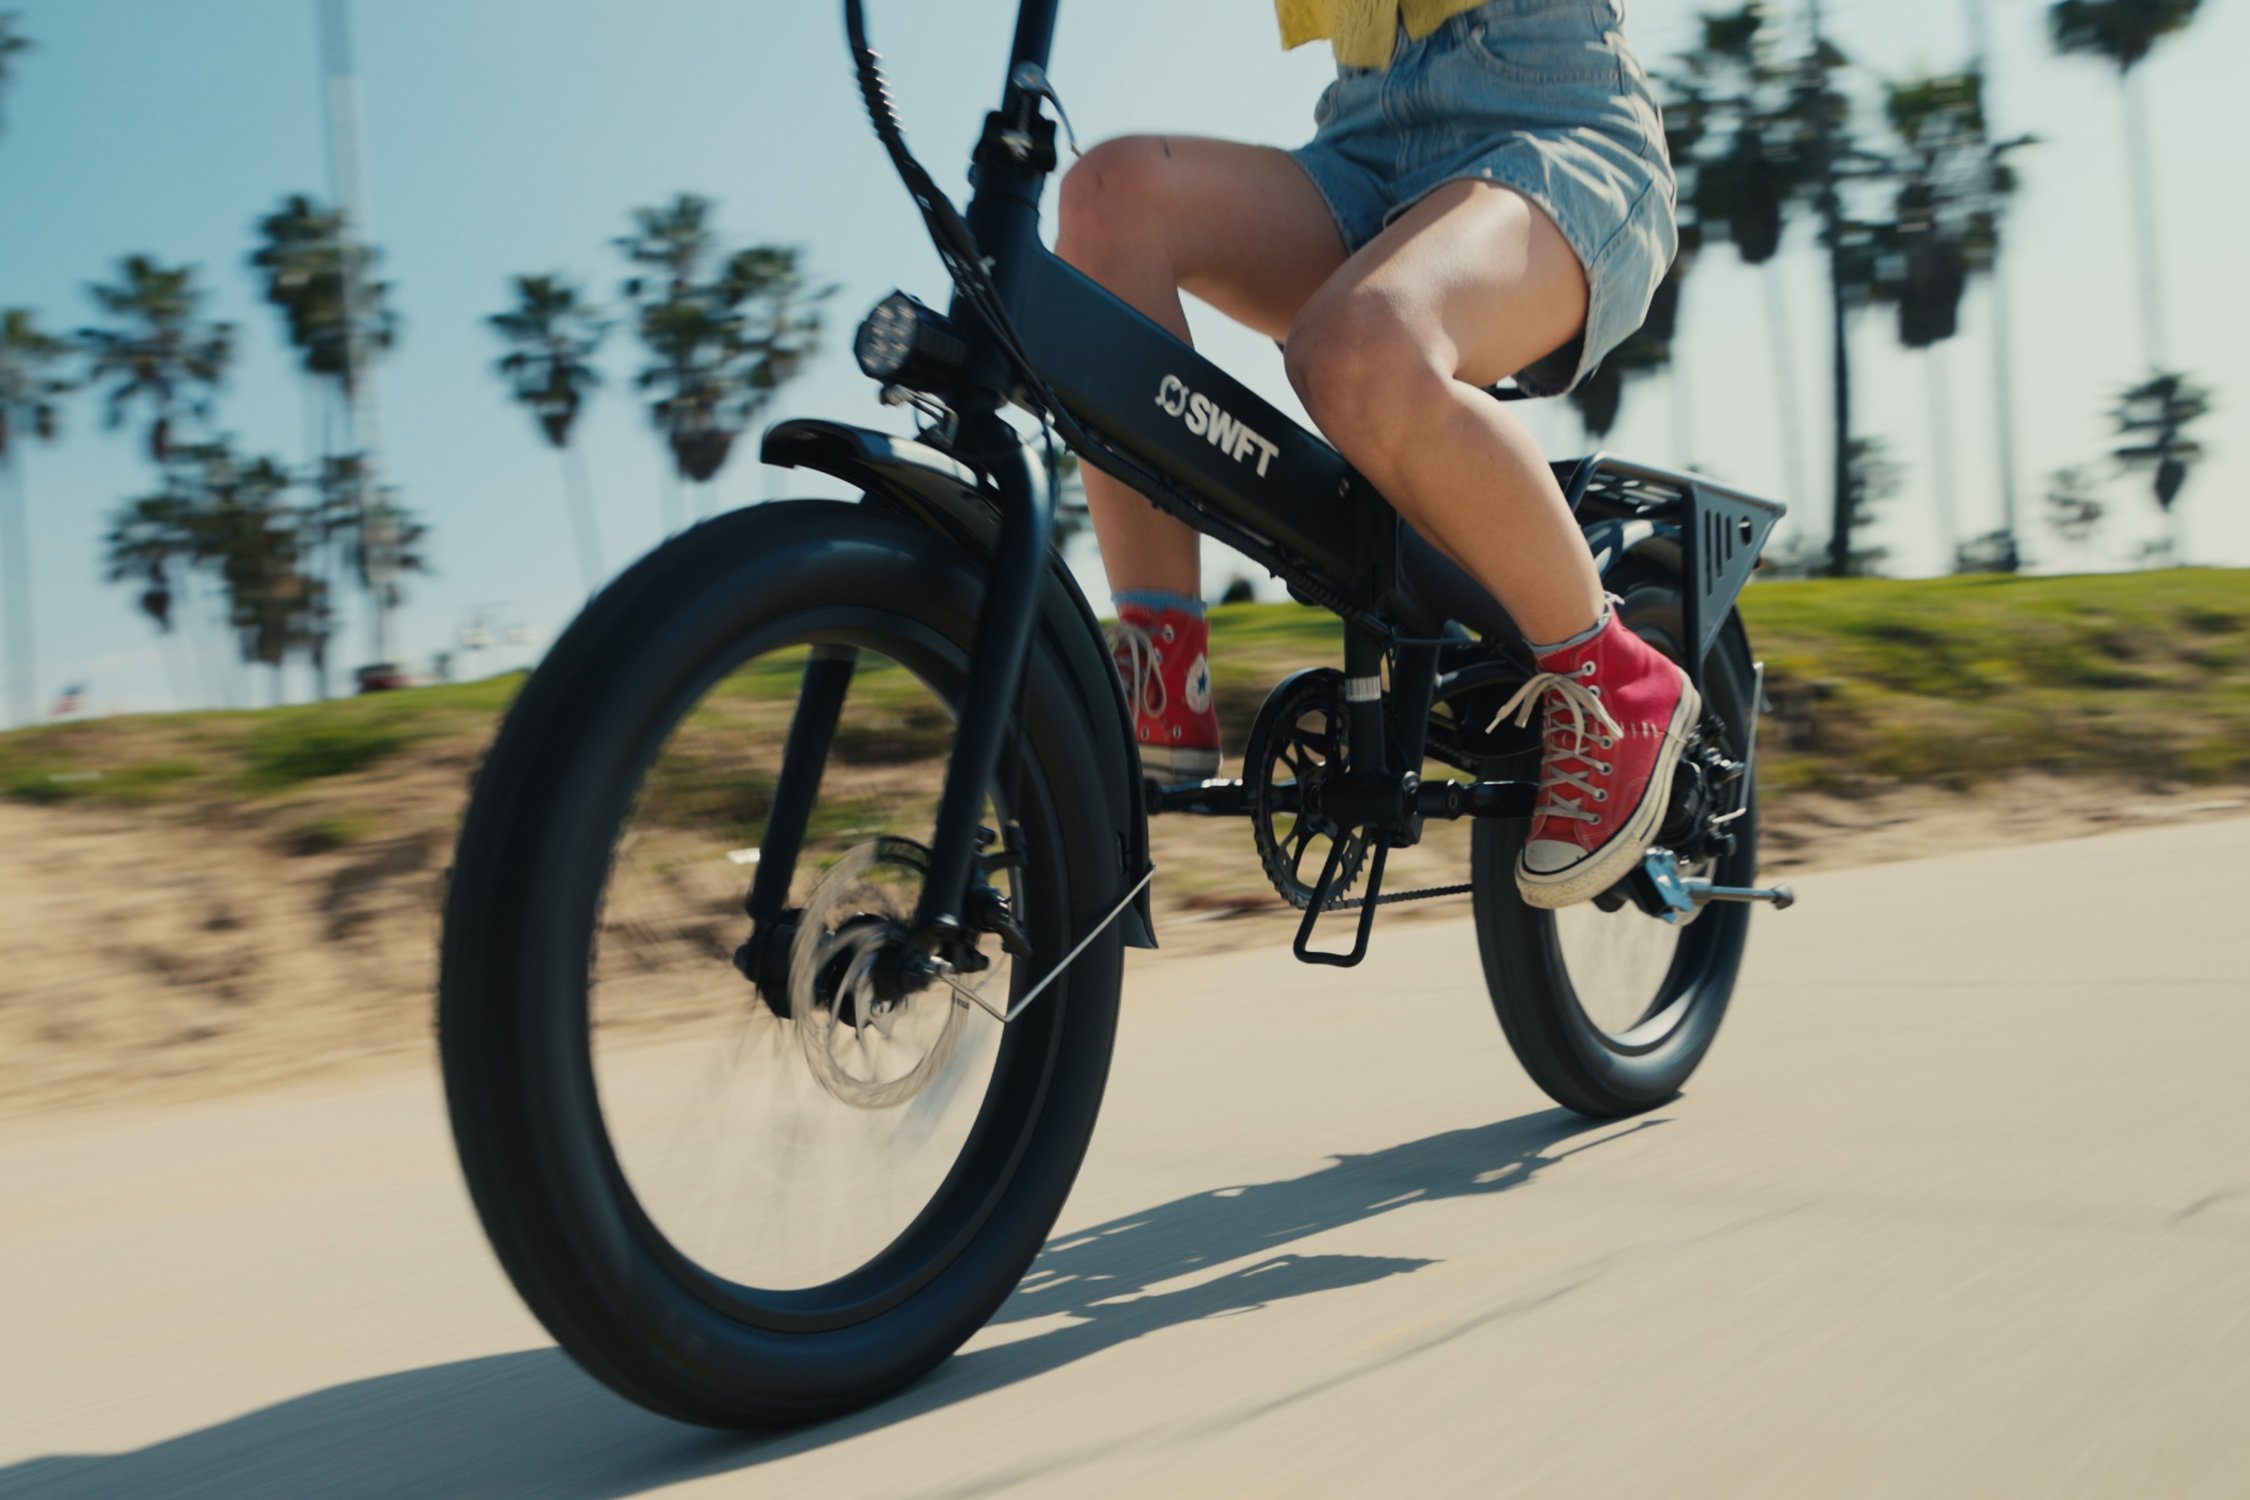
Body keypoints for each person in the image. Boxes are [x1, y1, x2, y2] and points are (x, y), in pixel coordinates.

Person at [1061, 0, 1690, 910]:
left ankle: (1618, 678)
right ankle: (1163, 667)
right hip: (1365, 138)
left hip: (1555, 121)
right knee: (1107, 198)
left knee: (1356, 352)